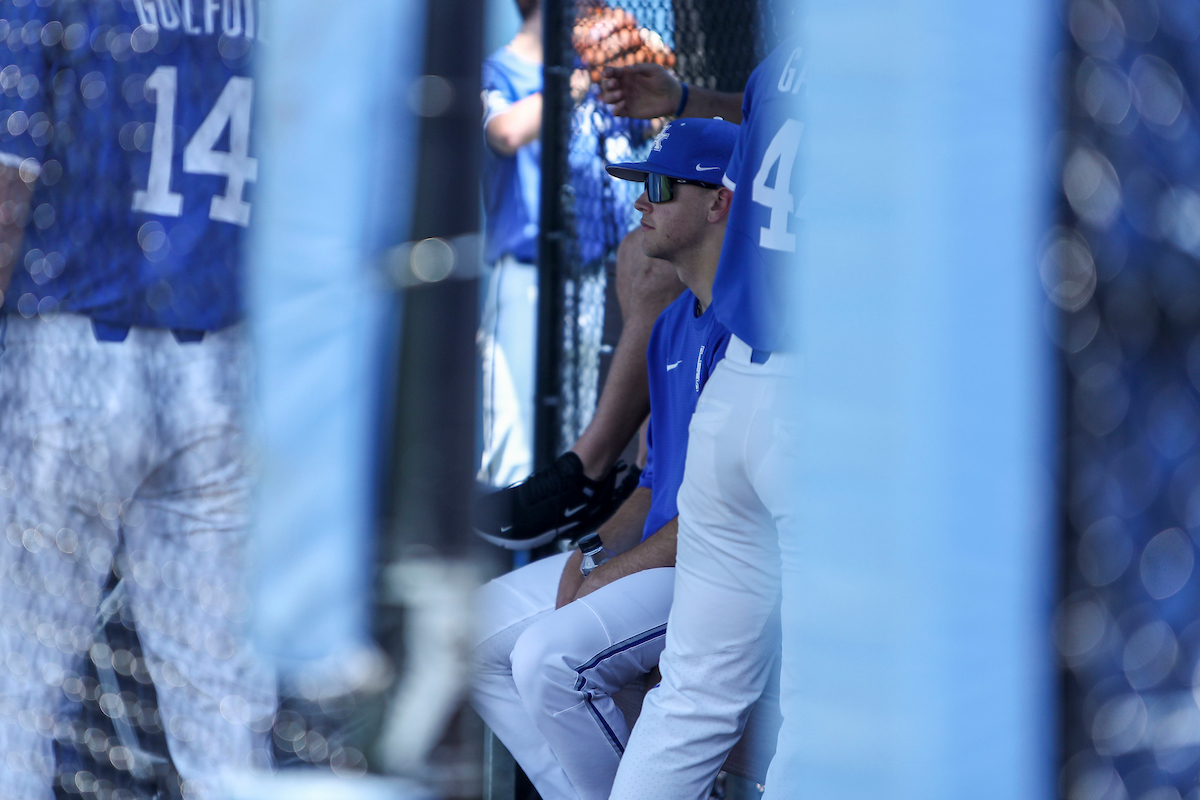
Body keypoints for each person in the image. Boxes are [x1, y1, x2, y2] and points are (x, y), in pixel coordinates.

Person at [0, 3, 274, 798]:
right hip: (225, 366)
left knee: (18, 687)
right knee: (224, 707)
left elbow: (8, 196)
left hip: (69, 355)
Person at [472, 117, 739, 800]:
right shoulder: (673, 322)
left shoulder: (747, 332)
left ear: (719, 202)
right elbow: (653, 486)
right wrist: (590, 553)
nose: (640, 202)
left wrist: (608, 575)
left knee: (549, 658)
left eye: (658, 186)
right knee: (471, 641)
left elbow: (719, 510)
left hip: (719, 566)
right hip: (658, 556)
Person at [600, 42, 805, 800]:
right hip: (821, 408)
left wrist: (687, 99)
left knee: (690, 702)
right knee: (819, 709)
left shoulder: (792, 56)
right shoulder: (920, 56)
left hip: (740, 387)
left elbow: (757, 122)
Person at [475, 1, 685, 549]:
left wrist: (641, 70)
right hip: (524, 270)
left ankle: (572, 529)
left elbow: (658, 126)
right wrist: (576, 79)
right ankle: (499, 564)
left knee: (591, 424)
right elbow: (504, 132)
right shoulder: (505, 69)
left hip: (597, 273)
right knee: (513, 437)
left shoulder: (600, 59)